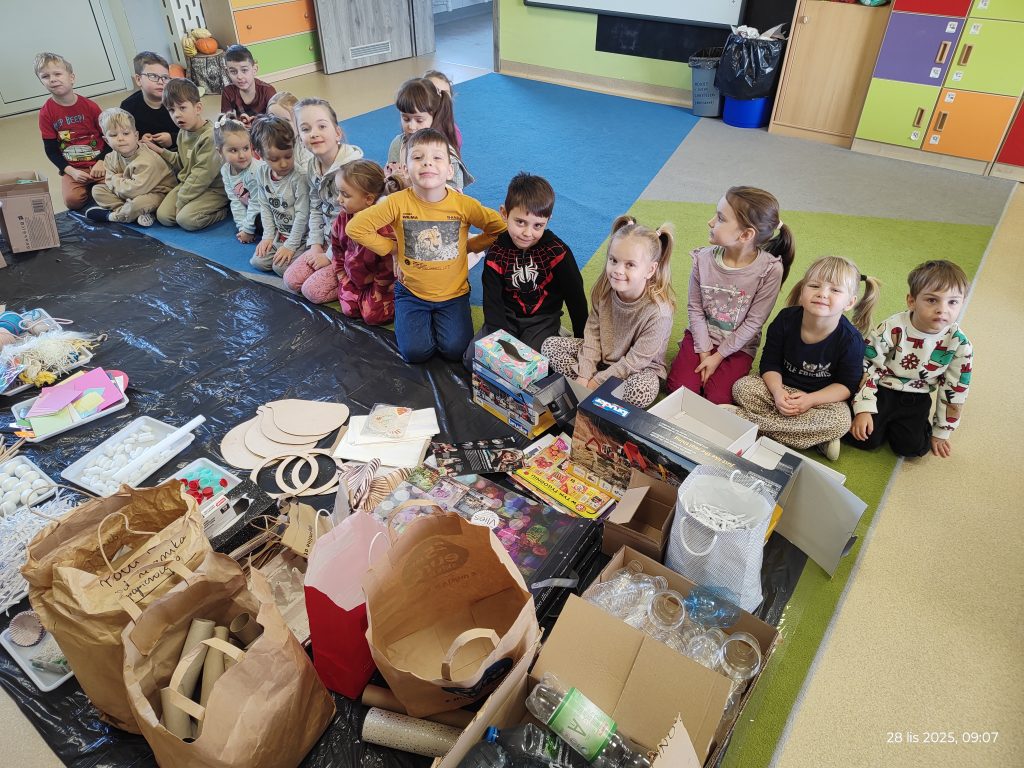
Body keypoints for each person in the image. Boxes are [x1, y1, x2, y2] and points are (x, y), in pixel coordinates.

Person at [347, 128, 505, 363]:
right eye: (418, 157)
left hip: (453, 294)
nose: (427, 163)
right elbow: (355, 228)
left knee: (455, 350)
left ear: (450, 170)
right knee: (414, 353)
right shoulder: (396, 203)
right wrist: (393, 248)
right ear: (405, 168)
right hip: (411, 293)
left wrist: (470, 246)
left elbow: (499, 228)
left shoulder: (464, 205)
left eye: (437, 157)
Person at [731, 256, 881, 461]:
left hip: (820, 400)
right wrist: (777, 392)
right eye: (814, 286)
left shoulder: (851, 340)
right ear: (802, 291)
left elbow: (847, 386)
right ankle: (815, 440)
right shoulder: (785, 320)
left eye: (835, 290)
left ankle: (744, 421)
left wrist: (811, 400)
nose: (822, 294)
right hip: (780, 389)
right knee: (742, 388)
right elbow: (770, 363)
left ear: (850, 302)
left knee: (840, 422)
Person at [666, 186, 795, 404]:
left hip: (738, 348)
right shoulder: (702, 259)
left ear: (745, 235)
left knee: (719, 400)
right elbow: (695, 309)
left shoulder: (770, 270)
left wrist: (718, 357)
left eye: (720, 218)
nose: (710, 222)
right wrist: (704, 351)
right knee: (679, 391)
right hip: (701, 338)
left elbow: (754, 322)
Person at [540, 216, 675, 409]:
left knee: (642, 390)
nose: (618, 270)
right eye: (613, 260)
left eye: (630, 264)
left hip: (638, 369)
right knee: (550, 346)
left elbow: (634, 362)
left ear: (650, 270)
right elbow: (593, 334)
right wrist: (584, 375)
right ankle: (601, 395)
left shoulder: (659, 312)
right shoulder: (604, 290)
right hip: (604, 358)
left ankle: (595, 392)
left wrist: (594, 383)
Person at [849, 260, 973, 459]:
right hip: (882, 388)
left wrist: (942, 431)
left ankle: (907, 426)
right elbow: (868, 365)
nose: (942, 309)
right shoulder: (891, 328)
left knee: (913, 448)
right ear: (912, 301)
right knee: (863, 439)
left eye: (952, 302)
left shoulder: (959, 343)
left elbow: (956, 388)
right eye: (932, 300)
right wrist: (863, 408)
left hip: (917, 395)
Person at [463, 172, 588, 369]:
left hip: (542, 320)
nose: (527, 233)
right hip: (505, 317)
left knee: (530, 367)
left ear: (548, 220)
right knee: (472, 359)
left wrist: (582, 339)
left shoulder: (558, 252)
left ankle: (555, 335)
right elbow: (492, 302)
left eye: (538, 225)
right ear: (504, 213)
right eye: (520, 222)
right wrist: (499, 342)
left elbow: (576, 297)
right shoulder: (496, 253)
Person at [285, 159, 403, 318]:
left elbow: (387, 270)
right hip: (351, 277)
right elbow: (337, 250)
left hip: (378, 284)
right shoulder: (343, 217)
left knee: (373, 317)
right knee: (348, 309)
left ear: (368, 199)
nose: (338, 199)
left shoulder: (383, 228)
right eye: (339, 192)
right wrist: (344, 279)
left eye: (345, 195)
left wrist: (377, 293)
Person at [294, 97, 363, 271]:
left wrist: (329, 255)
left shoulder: (351, 170)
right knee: (290, 278)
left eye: (322, 126)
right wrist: (315, 244)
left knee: (312, 287)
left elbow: (354, 221)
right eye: (305, 129)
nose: (314, 134)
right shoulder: (312, 166)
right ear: (300, 139)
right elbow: (316, 207)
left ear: (338, 133)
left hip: (350, 246)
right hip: (327, 238)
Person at [150, 78, 228, 231]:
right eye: (171, 110)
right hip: (191, 184)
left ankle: (223, 211)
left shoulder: (210, 136)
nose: (177, 115)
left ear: (198, 108)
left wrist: (181, 201)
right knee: (164, 216)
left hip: (214, 189)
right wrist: (160, 151)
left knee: (186, 220)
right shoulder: (183, 132)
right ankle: (191, 205)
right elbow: (183, 163)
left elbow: (202, 175)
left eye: (182, 108)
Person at [34, 52, 109, 211]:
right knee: (72, 201)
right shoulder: (46, 113)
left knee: (114, 190)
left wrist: (102, 161)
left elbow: (108, 137)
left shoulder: (90, 106)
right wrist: (71, 171)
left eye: (57, 74)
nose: (52, 79)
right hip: (73, 167)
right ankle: (90, 190)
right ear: (41, 82)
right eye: (45, 76)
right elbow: (51, 150)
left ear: (72, 78)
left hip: (99, 163)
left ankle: (95, 190)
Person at [84, 108, 175, 226]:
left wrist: (116, 179)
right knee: (97, 190)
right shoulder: (110, 157)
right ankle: (131, 213)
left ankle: (113, 216)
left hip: (157, 193)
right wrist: (118, 182)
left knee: (138, 204)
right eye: (113, 135)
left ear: (136, 136)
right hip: (126, 191)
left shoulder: (147, 160)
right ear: (106, 140)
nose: (120, 138)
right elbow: (108, 180)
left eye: (126, 133)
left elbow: (132, 191)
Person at [248, 115, 309, 275]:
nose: (283, 164)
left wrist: (291, 245)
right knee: (258, 262)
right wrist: (267, 237)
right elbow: (265, 206)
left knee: (280, 268)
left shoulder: (299, 177)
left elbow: (303, 215)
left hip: (301, 237)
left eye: (288, 156)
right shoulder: (261, 172)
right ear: (259, 154)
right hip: (279, 235)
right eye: (274, 159)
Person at [385, 78, 472, 191]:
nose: (411, 126)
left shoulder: (447, 155)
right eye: (406, 119)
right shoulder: (398, 144)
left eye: (419, 120)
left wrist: (406, 183)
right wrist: (390, 180)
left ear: (434, 116)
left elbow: (453, 197)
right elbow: (390, 189)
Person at [215, 113, 264, 244]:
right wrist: (242, 227)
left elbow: (257, 203)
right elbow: (235, 200)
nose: (242, 155)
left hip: (269, 208)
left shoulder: (255, 170)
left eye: (246, 148)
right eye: (233, 150)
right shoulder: (225, 170)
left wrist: (248, 229)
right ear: (220, 152)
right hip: (253, 208)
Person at [120, 51, 179, 150]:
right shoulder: (128, 107)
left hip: (179, 149)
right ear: (138, 79)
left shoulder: (178, 101)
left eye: (165, 77)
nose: (160, 82)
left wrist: (173, 138)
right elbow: (124, 137)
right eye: (153, 76)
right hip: (147, 154)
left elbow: (194, 131)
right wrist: (140, 141)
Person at [220, 45, 276, 125]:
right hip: (242, 130)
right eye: (233, 71)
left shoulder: (268, 91)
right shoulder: (228, 92)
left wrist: (256, 122)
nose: (239, 77)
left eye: (244, 70)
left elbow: (276, 122)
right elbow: (224, 121)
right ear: (227, 72)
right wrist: (237, 123)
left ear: (254, 70)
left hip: (265, 129)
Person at [267, 91, 311, 166]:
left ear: (298, 122)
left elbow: (308, 172)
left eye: (285, 120)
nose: (278, 126)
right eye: (272, 120)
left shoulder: (304, 147)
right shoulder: (268, 143)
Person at [422, 69, 462, 150]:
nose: (441, 98)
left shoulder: (452, 133)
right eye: (435, 92)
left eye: (445, 94)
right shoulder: (416, 125)